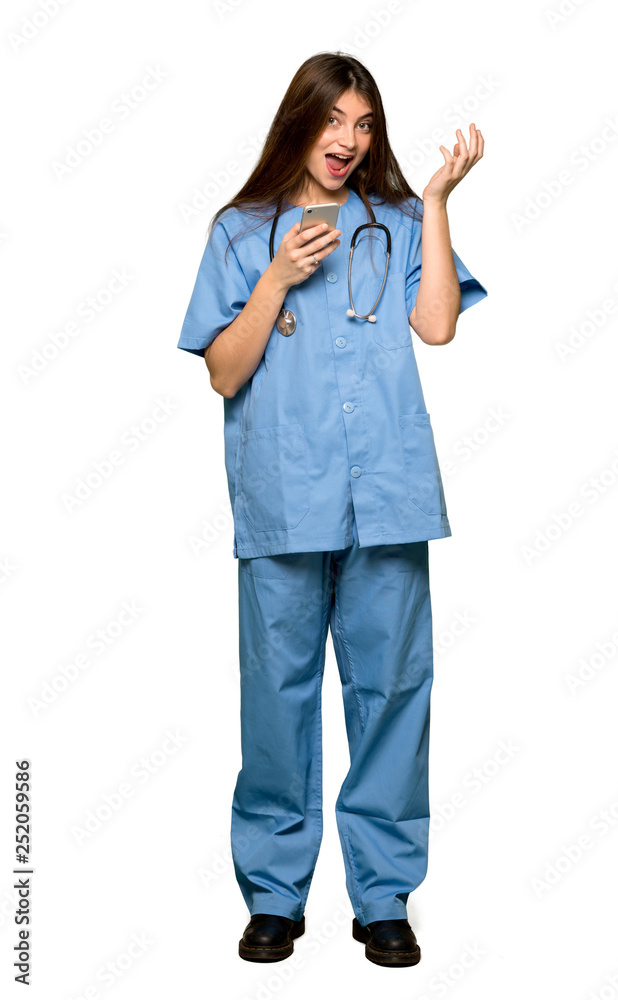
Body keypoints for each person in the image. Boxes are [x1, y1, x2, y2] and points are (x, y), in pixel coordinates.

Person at [177, 51, 487, 967]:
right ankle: (274, 894)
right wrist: (273, 280)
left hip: (386, 493)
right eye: (333, 121)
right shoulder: (240, 231)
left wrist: (433, 204)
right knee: (277, 699)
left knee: (392, 694)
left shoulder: (394, 223)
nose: (348, 141)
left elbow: (435, 324)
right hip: (282, 494)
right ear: (298, 122)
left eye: (364, 125)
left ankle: (381, 894)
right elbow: (223, 372)